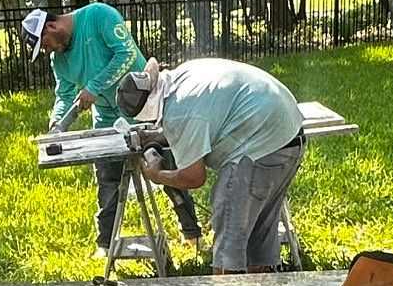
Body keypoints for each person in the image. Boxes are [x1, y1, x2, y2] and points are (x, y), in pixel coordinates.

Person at [27, 3, 202, 255]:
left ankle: (191, 234)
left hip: (144, 107)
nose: (48, 51)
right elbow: (64, 94)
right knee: (108, 180)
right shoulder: (59, 61)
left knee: (169, 169)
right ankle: (105, 243)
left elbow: (126, 54)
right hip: (107, 118)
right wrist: (57, 121)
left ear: (51, 26)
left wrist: (94, 86)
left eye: (45, 44)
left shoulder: (99, 16)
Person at [118, 54, 306, 273]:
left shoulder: (179, 113)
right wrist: (158, 136)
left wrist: (157, 175)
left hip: (260, 147)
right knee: (258, 236)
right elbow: (205, 116)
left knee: (229, 244)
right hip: (289, 135)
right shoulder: (183, 75)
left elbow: (193, 177)